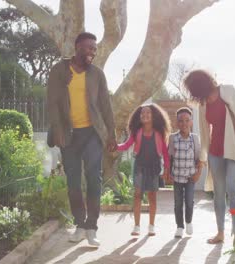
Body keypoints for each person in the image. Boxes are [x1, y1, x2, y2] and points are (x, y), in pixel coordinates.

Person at [47, 32, 117, 247]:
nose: (92, 52)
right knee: (73, 182)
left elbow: (105, 105)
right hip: (68, 134)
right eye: (89, 48)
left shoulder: (97, 74)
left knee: (94, 179)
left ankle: (92, 227)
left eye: (94, 49)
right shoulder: (59, 70)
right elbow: (51, 102)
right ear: (77, 47)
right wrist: (57, 129)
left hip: (91, 134)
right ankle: (79, 225)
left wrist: (111, 134)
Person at [182, 70, 235, 247]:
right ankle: (221, 233)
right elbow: (204, 132)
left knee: (233, 189)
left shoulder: (228, 91)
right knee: (218, 194)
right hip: (216, 153)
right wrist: (202, 158)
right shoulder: (202, 104)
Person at [116, 103, 171, 236]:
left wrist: (167, 169)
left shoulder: (159, 133)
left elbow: (164, 152)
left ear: (153, 116)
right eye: (142, 113)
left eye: (148, 113)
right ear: (139, 116)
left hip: (154, 166)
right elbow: (126, 145)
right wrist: (115, 146)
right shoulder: (137, 132)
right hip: (139, 165)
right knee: (137, 195)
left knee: (152, 196)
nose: (145, 115)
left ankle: (151, 226)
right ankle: (136, 226)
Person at [168, 107, 202, 238]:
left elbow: (199, 159)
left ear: (191, 122)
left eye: (187, 120)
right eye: (181, 121)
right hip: (176, 177)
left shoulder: (195, 139)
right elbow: (169, 157)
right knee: (178, 203)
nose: (184, 123)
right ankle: (180, 226)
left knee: (189, 201)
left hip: (190, 177)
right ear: (177, 123)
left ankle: (188, 222)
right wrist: (168, 173)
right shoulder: (172, 138)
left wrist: (198, 173)